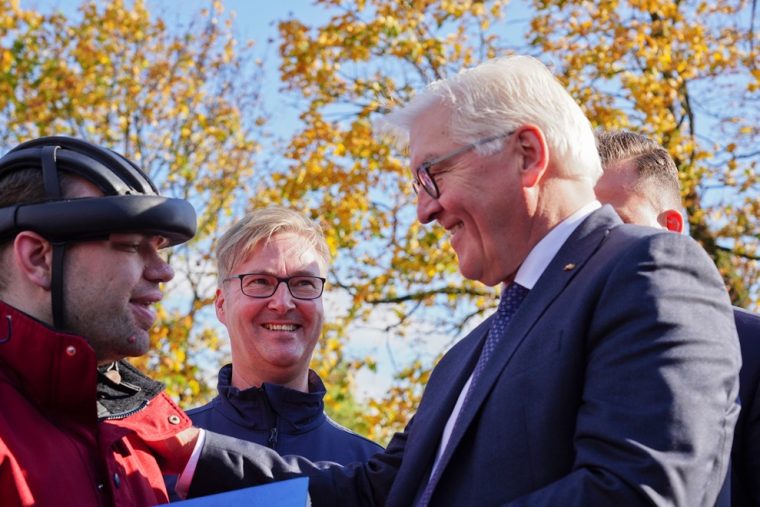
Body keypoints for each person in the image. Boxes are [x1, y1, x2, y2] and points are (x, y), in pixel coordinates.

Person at [152, 55, 741, 506]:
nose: (423, 212)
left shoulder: (650, 270)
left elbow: (635, 493)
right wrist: (183, 448)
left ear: (527, 155)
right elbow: (371, 494)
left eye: (431, 175)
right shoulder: (467, 357)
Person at [0, 136, 198, 506]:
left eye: (159, 248)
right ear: (39, 258)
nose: (163, 272)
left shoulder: (132, 435)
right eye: (131, 245)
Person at [595, 129, 760, 507]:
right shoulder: (559, 354)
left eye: (612, 224)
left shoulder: (753, 348)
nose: (594, 244)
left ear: (671, 226)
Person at [187, 207, 382, 459]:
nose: (283, 303)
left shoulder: (370, 470)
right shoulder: (161, 459)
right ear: (222, 305)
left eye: (303, 283)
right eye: (259, 281)